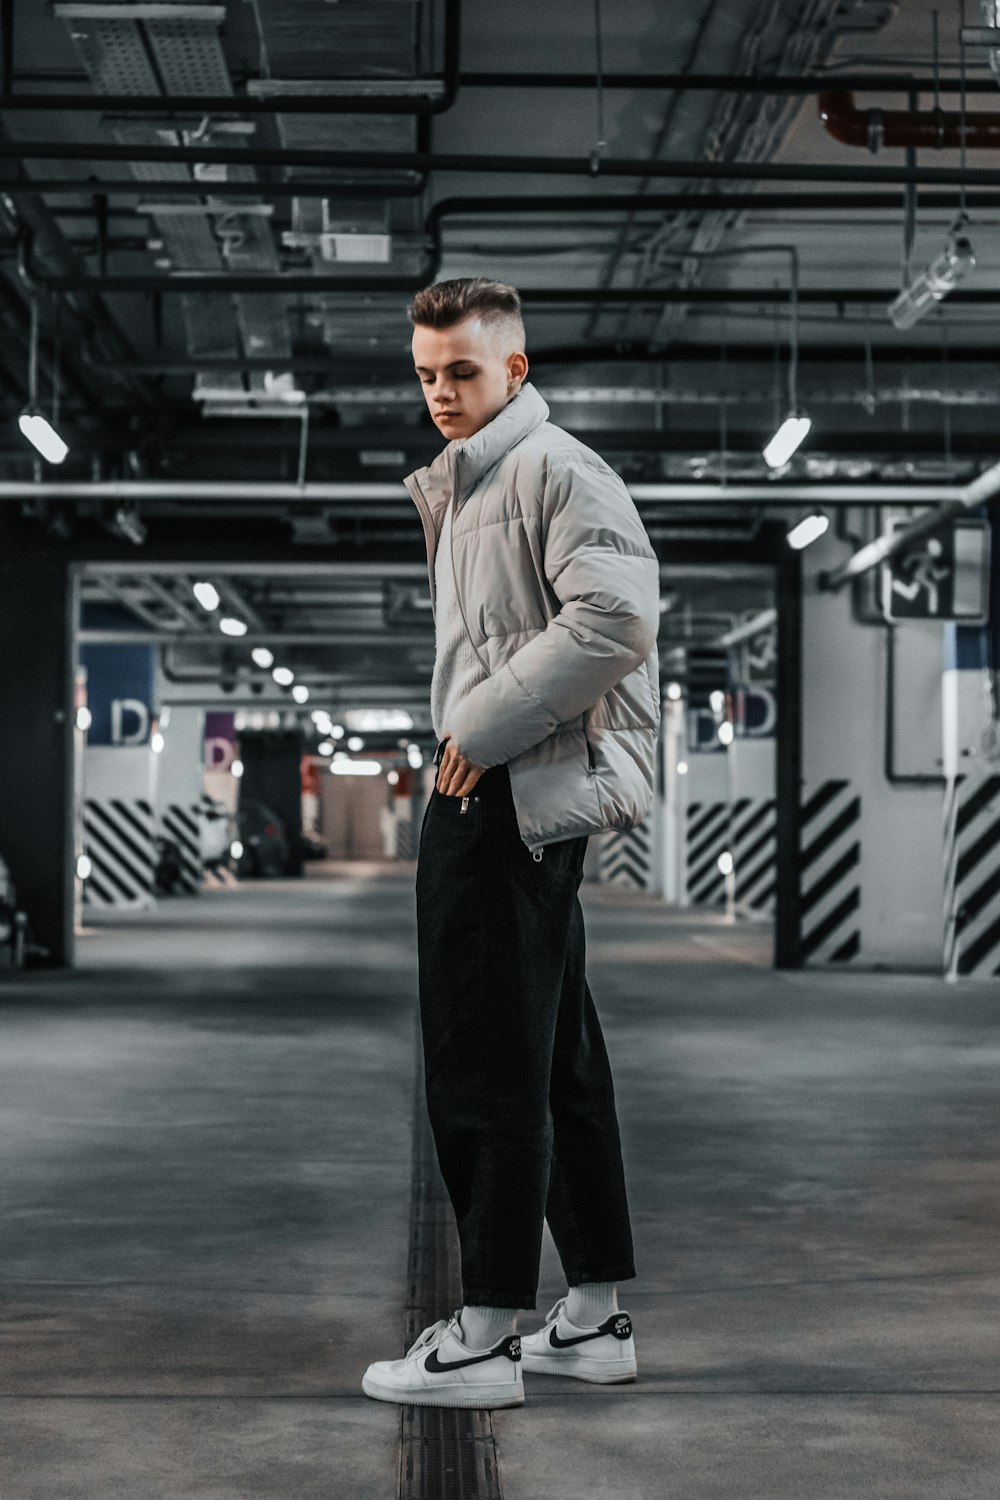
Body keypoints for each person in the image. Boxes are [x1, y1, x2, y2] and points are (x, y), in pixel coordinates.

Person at [361, 278, 660, 1410]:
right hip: (517, 795)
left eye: (463, 372)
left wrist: (478, 732)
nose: (441, 392)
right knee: (551, 1058)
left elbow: (615, 623)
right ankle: (588, 1317)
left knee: (483, 1058)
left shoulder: (553, 470)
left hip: (506, 795)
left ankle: (484, 1332)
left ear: (515, 371)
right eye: (428, 374)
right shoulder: (482, 479)